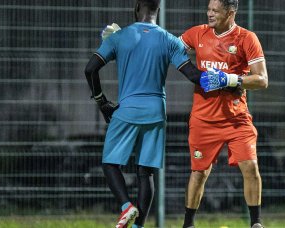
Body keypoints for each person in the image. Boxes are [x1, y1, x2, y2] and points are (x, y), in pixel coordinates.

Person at [84, 0, 208, 227]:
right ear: (158, 10)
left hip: (127, 110)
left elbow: (90, 69)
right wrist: (229, 79)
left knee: (110, 164)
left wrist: (102, 102)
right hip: (155, 113)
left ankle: (126, 206)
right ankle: (139, 226)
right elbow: (194, 76)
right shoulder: (169, 40)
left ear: (137, 6)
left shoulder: (118, 37)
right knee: (146, 173)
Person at [179, 0, 269, 227]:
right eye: (208, 9)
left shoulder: (247, 38)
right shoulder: (197, 34)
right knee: (199, 173)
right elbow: (169, 47)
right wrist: (125, 41)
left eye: (215, 11)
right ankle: (188, 224)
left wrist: (230, 79)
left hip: (236, 118)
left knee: (250, 166)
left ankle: (255, 223)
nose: (209, 14)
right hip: (203, 119)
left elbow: (262, 79)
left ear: (230, 12)